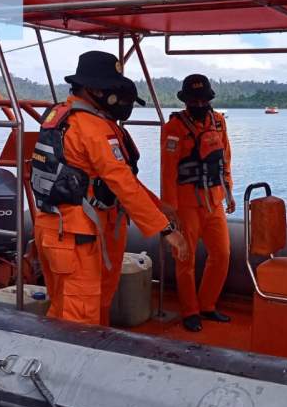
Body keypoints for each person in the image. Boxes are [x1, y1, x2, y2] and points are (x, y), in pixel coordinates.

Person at [32, 50, 187, 326]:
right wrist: (165, 229)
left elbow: (119, 178)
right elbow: (121, 182)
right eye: (111, 89)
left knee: (80, 304)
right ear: (93, 89)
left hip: (61, 230)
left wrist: (158, 206)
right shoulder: (91, 127)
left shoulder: (65, 116)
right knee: (78, 319)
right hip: (75, 236)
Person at [160, 74, 235, 332]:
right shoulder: (173, 128)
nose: (200, 104)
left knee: (222, 254)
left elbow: (225, 159)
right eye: (194, 101)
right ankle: (190, 310)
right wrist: (169, 209)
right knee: (185, 258)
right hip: (186, 204)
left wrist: (229, 192)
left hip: (214, 201)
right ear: (186, 101)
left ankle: (207, 305)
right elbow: (168, 170)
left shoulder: (219, 122)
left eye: (203, 100)